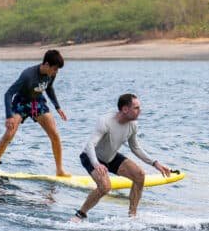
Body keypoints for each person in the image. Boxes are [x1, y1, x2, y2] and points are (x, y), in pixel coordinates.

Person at [72, 93, 172, 222]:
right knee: (105, 187)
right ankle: (80, 214)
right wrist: (96, 164)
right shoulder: (105, 121)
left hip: (111, 156)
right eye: (136, 108)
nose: (140, 111)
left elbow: (135, 147)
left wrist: (155, 163)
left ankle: (132, 216)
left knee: (139, 175)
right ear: (125, 109)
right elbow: (90, 144)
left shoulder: (133, 125)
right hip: (91, 157)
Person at [0, 49, 70, 176]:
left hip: (37, 102)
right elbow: (8, 93)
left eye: (57, 70)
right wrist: (9, 116)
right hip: (21, 102)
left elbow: (49, 88)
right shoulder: (28, 75)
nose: (56, 72)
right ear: (47, 64)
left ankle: (59, 170)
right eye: (54, 69)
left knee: (54, 134)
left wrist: (57, 107)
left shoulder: (52, 74)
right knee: (9, 133)